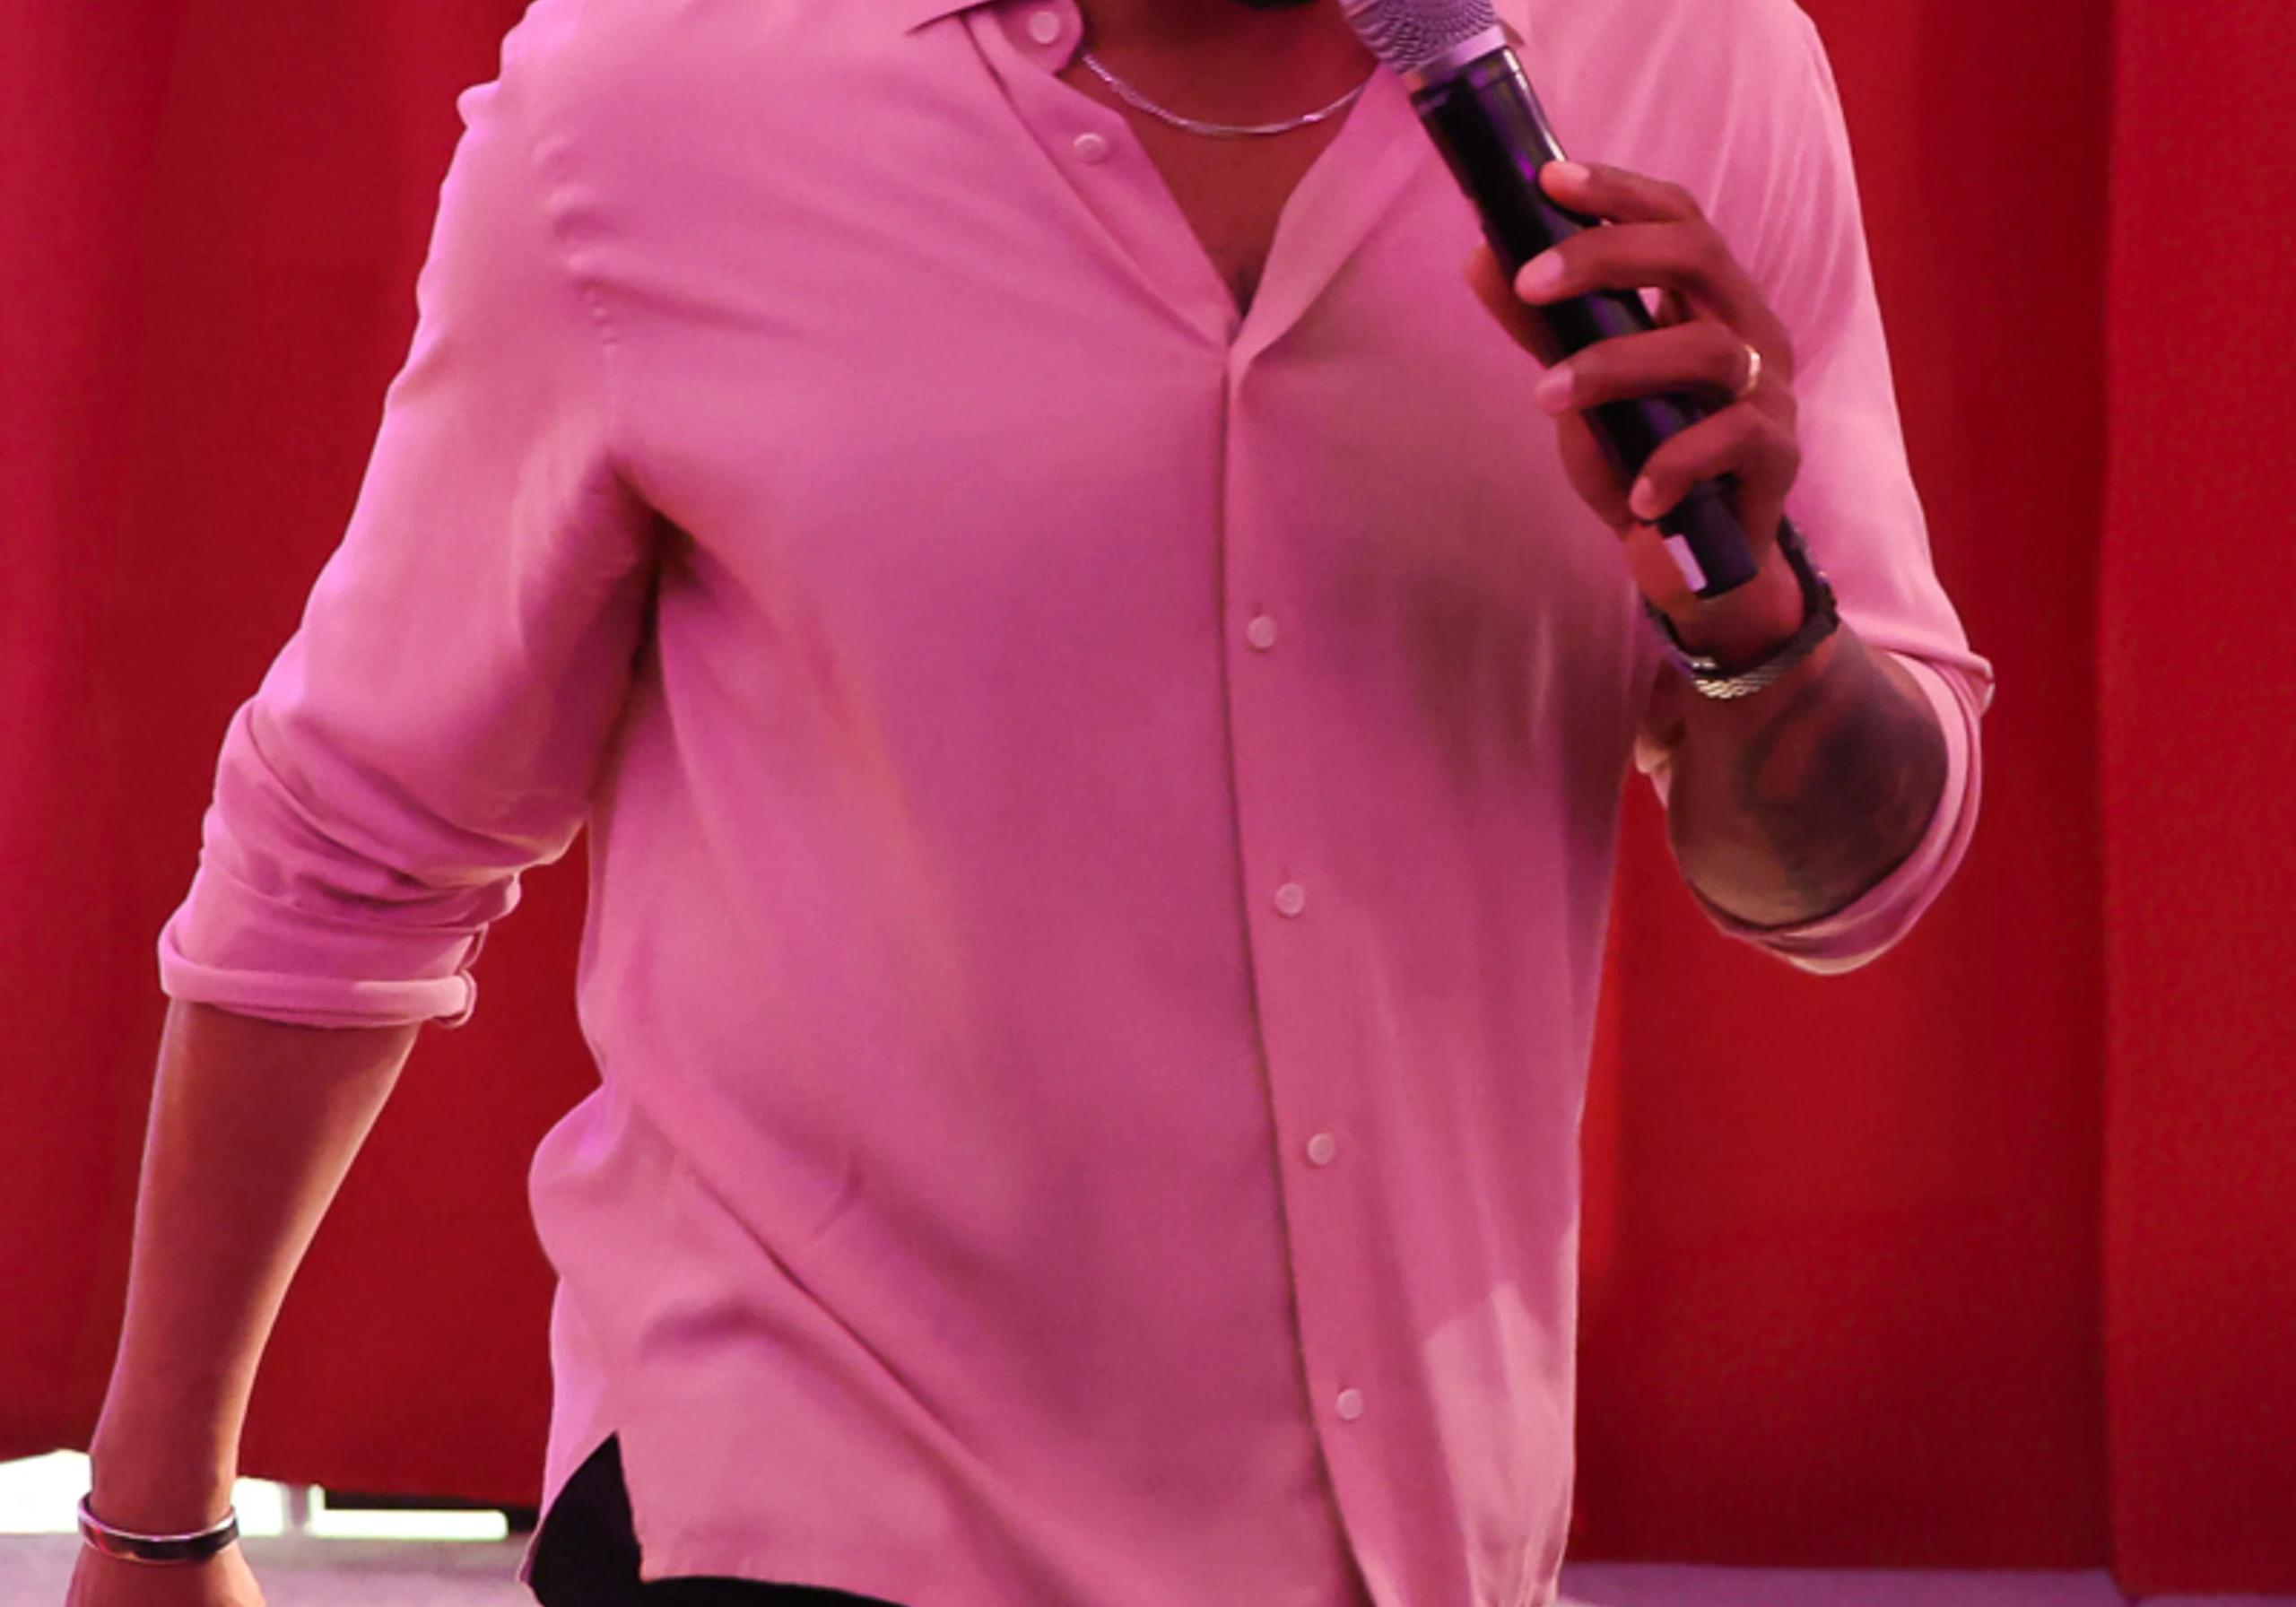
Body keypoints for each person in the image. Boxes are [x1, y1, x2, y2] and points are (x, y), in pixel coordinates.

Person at [67, 0, 1991, 1602]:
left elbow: (1852, 883)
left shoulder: (1685, 60)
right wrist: (157, 1518)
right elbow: (357, 831)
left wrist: (1755, 627)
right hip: (788, 1511)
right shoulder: (655, 92)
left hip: (1420, 1545)